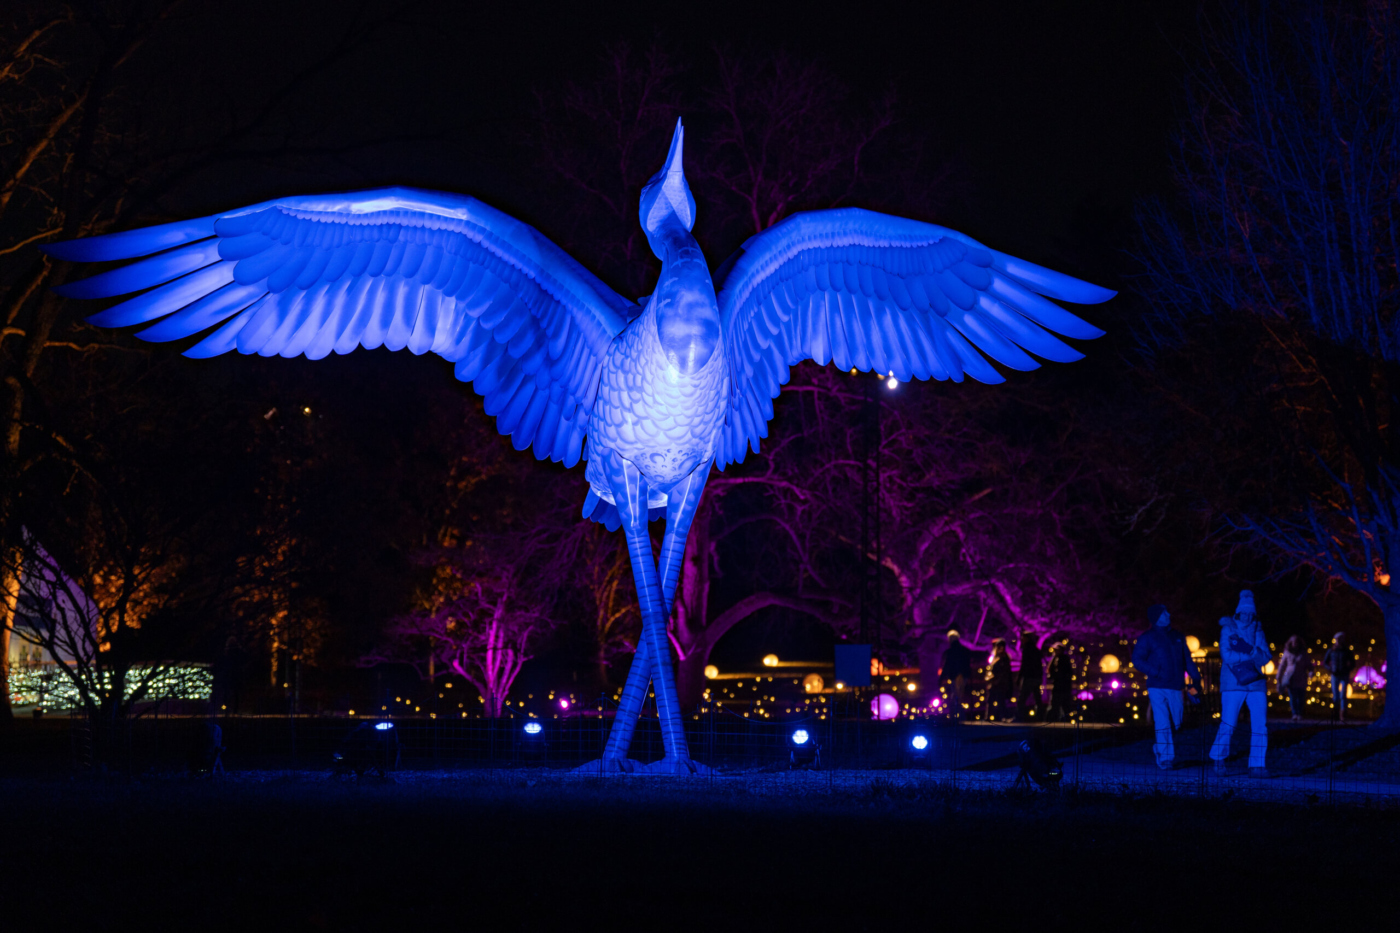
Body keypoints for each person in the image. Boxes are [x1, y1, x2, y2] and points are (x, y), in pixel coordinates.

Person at [1130, 604, 1201, 770]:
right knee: (1162, 721)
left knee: (1177, 722)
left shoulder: (1178, 636)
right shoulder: (1147, 637)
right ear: (1157, 617)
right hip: (1157, 685)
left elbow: (1187, 660)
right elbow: (1137, 659)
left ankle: (1159, 749)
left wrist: (1196, 680)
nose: (1169, 613)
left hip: (1176, 686)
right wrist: (1156, 672)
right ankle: (1166, 757)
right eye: (1164, 612)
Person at [1210, 590, 1272, 777]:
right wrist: (1252, 654)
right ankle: (1219, 758)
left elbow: (1265, 657)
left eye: (1250, 613)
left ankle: (1257, 765)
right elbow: (1227, 656)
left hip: (1256, 683)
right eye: (1243, 612)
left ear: (1253, 613)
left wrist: (1249, 650)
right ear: (1238, 612)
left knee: (1260, 724)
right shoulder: (1228, 628)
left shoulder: (1257, 630)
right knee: (1228, 723)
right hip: (1233, 682)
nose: (1246, 616)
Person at [939, 629, 974, 717]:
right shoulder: (964, 650)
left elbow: (947, 665)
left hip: (955, 676)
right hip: (962, 676)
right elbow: (968, 664)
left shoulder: (950, 652)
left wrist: (941, 678)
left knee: (955, 697)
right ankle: (959, 716)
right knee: (957, 696)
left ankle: (956, 717)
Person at [1276, 635, 1310, 722]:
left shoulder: (1303, 653)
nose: (1295, 644)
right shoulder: (1287, 653)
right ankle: (1295, 713)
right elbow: (1282, 666)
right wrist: (1279, 677)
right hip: (1291, 678)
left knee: (1301, 697)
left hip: (1301, 678)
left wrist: (1311, 672)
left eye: (1297, 642)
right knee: (1293, 697)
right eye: (1294, 642)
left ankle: (1300, 713)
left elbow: (1309, 665)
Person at [1323, 633, 1355, 721]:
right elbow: (1325, 662)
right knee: (1336, 695)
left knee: (1343, 695)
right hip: (1335, 675)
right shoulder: (1331, 651)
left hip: (1344, 674)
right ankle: (1336, 713)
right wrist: (1331, 669)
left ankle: (1343, 714)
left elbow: (1353, 662)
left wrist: (1348, 669)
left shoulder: (1346, 651)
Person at [1014, 628, 1044, 720]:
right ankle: (1040, 717)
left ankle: (1019, 717)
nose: (1021, 640)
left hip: (1029, 677)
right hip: (1036, 677)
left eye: (1023, 638)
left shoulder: (1027, 649)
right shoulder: (1036, 650)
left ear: (1027, 638)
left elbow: (1024, 665)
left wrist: (1019, 678)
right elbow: (1039, 665)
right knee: (1037, 698)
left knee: (1022, 699)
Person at [985, 638, 1013, 721]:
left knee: (1000, 700)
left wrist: (998, 680)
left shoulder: (1004, 658)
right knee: (991, 700)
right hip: (994, 682)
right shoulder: (995, 657)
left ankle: (1004, 716)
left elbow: (1005, 671)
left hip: (1000, 682)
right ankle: (990, 716)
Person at [1048, 641, 1076, 722]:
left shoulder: (1064, 659)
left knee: (1064, 704)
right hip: (1058, 685)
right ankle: (1057, 719)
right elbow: (1051, 671)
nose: (1055, 651)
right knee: (1056, 704)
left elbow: (1065, 673)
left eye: (1057, 650)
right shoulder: (1055, 659)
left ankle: (1065, 720)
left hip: (1063, 686)